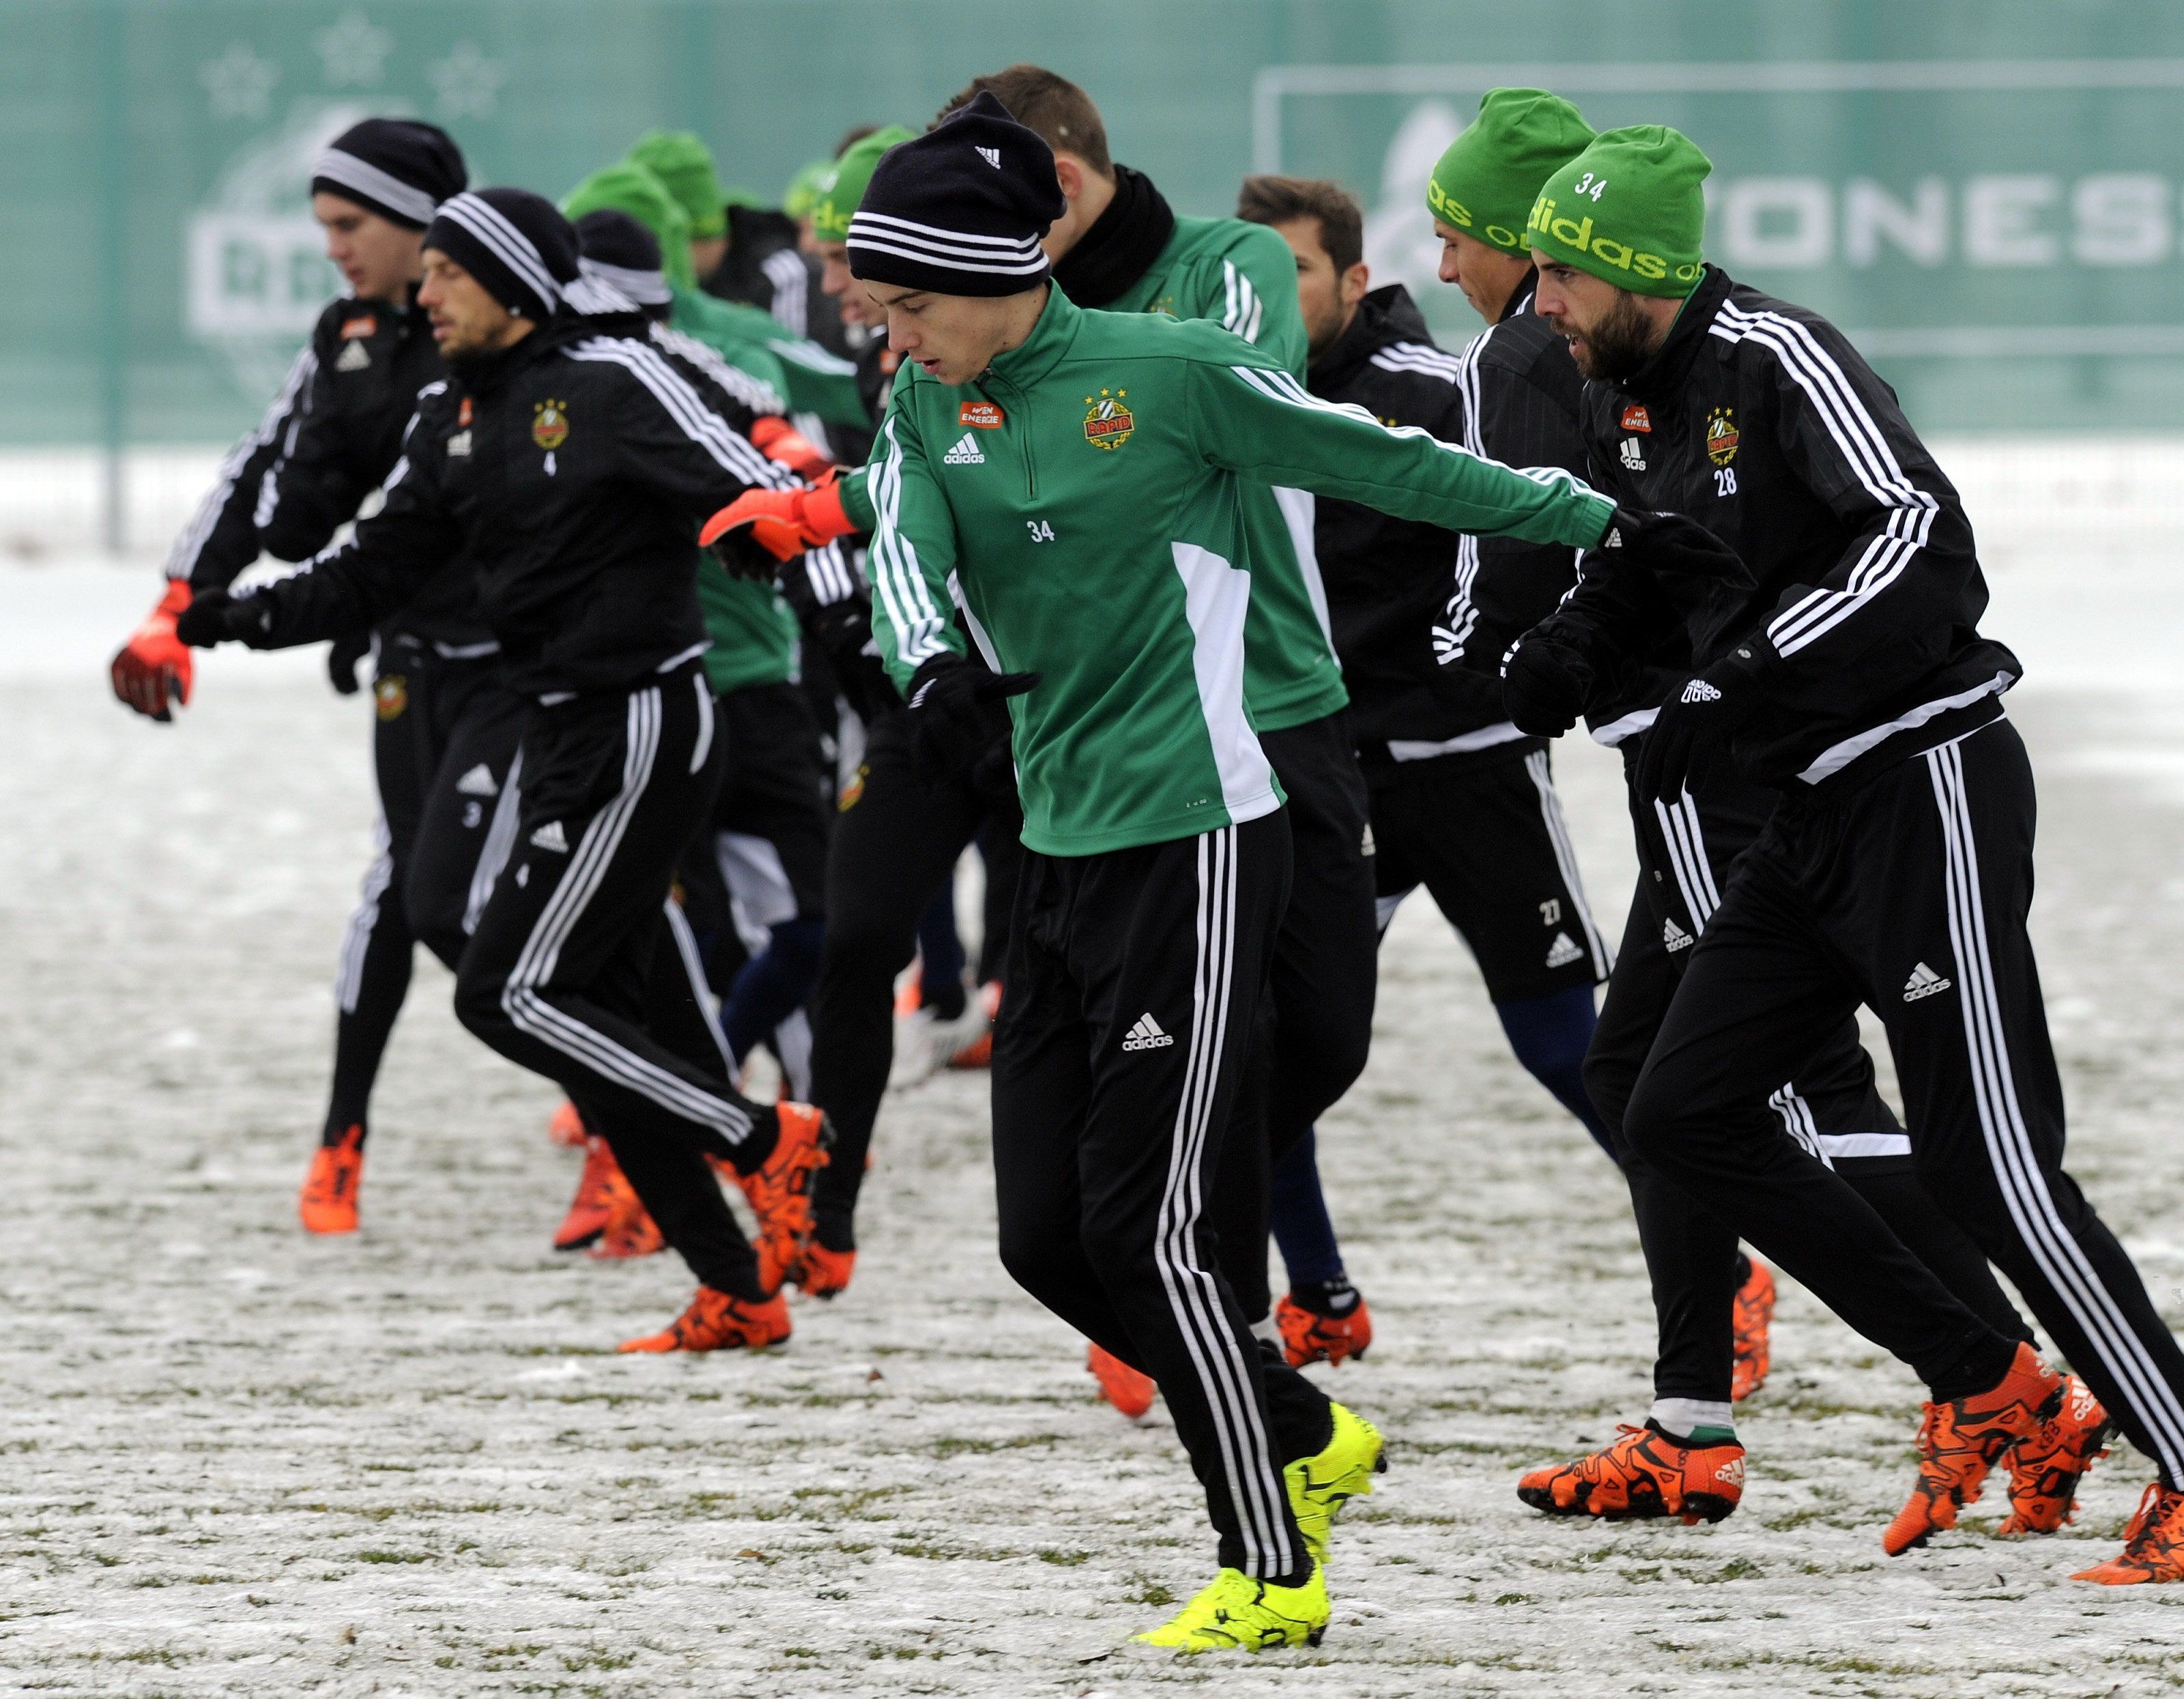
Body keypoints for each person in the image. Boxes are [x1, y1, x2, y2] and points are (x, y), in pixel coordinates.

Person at [707, 93, 1723, 1650]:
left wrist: (1608, 526)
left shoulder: (1172, 375)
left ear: (994, 274)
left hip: (1203, 836)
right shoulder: (927, 401)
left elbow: (1392, 466)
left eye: (912, 308)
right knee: (1042, 1242)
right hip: (1060, 847)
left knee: (1155, 1233)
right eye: (880, 314)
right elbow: (906, 537)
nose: (893, 343)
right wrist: (925, 673)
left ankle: (1274, 1566)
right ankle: (1305, 1432)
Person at [1504, 124, 2181, 1582]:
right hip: (1802, 816)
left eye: (1555, 271)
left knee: (1989, 1163)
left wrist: (1730, 675)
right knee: (1674, 1106)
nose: (1536, 300)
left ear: (1631, 264)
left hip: (1921, 783)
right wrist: (1549, 665)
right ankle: (1989, 1383)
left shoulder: (1774, 357)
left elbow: (1915, 535)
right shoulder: (1625, 399)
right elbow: (1645, 569)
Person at [1400, 91, 2059, 1532]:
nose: (1443, 266)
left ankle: (1988, 1380)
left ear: (1539, 248)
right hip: (1703, 746)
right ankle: (1705, 1420)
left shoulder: (1532, 355)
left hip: (1718, 766)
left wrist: (1511, 668)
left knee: (1768, 1092)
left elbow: (1551, 558)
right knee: (1664, 1083)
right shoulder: (1570, 345)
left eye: (1457, 237)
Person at [174, 186, 832, 1356]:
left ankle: (761, 1138)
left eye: (446, 276)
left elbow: (760, 490)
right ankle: (738, 1287)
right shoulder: (453, 414)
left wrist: (833, 603)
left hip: (644, 725)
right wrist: (215, 618)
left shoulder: (615, 383)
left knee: (510, 991)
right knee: (595, 1010)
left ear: (517, 282)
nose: (422, 297)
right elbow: (370, 568)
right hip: (560, 736)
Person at [906, 65, 1376, 1412]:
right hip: (1113, 735)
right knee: (1166, 1071)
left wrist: (1059, 359)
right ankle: (1208, 1320)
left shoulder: (1221, 269)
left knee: (1321, 1043)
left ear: (1047, 187)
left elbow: (1250, 386)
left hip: (1282, 709)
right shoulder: (966, 346)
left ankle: (1189, 1292)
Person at [109, 118, 523, 1236]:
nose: (333, 247)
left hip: (540, 675)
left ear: (420, 223)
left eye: (349, 225)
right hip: (409, 658)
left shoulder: (508, 324)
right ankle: (342, 1139)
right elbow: (264, 476)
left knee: (489, 906)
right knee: (404, 891)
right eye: (322, 227)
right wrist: (173, 611)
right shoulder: (344, 333)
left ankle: (643, 1121)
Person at [1237, 171, 1620, 1369]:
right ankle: (1317, 1296)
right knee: (1272, 1052)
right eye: (1246, 272)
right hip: (1332, 783)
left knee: (1564, 1047)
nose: (1265, 295)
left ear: (1355, 279)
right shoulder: (1223, 400)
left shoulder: (1434, 392)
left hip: (1470, 769)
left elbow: (1519, 535)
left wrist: (1495, 673)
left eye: (1293, 270)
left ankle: (1715, 1264)